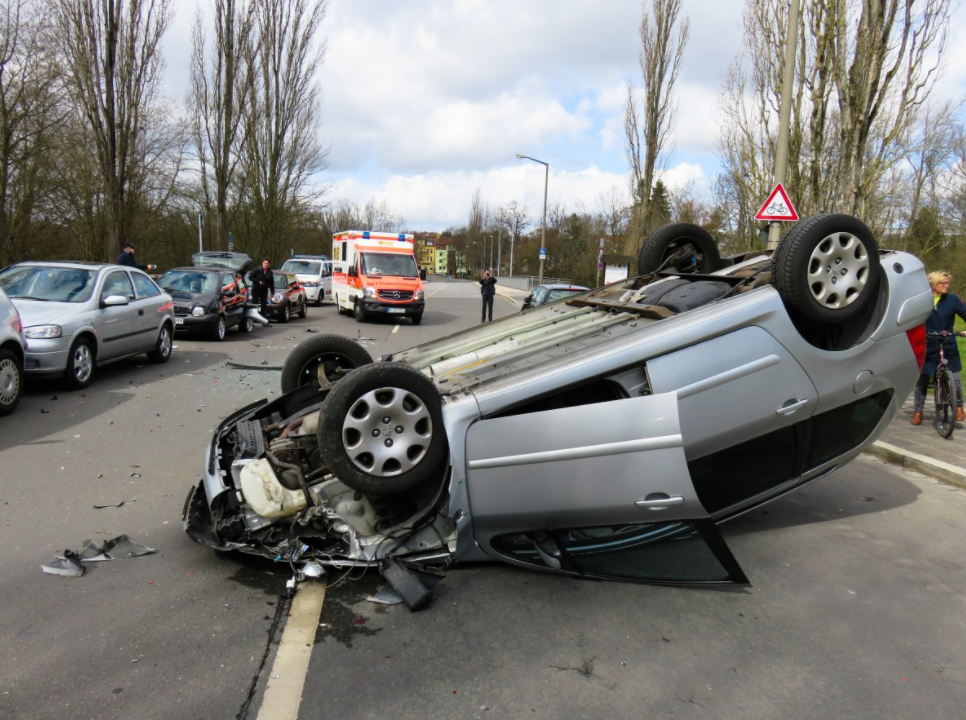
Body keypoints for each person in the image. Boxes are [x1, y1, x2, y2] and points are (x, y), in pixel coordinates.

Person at [911, 270, 966, 426]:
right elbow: (913, 320)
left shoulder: (952, 300)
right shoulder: (922, 300)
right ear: (933, 284)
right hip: (927, 344)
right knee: (922, 379)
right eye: (943, 283)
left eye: (947, 283)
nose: (946, 286)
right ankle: (918, 411)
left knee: (954, 377)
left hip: (947, 342)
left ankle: (960, 406)